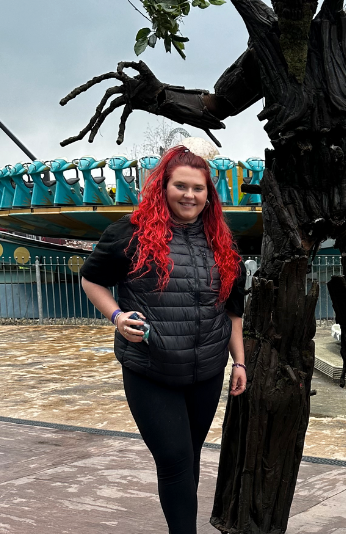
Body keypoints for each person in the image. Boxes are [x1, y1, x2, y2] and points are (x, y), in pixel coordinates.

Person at [77, 145, 247, 534]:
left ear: (209, 195)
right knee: (173, 459)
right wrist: (117, 316)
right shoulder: (130, 233)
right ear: (163, 187)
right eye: (180, 186)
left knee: (188, 458)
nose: (189, 195)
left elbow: (232, 310)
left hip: (206, 370)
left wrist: (239, 361)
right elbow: (91, 278)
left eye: (198, 189)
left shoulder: (223, 242)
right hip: (151, 368)